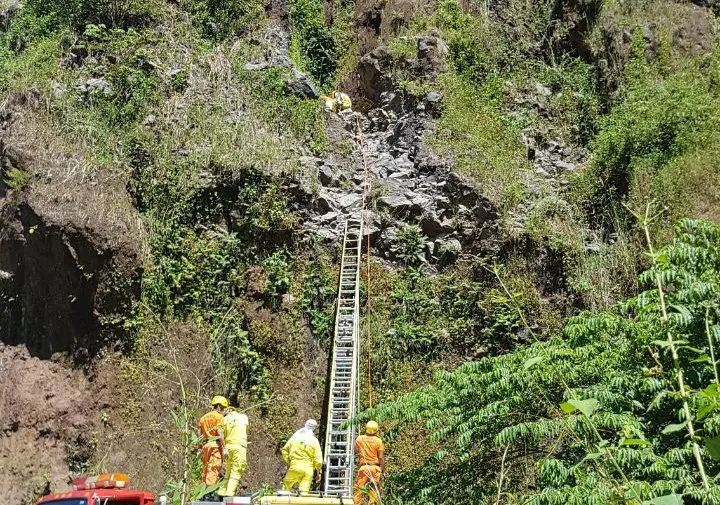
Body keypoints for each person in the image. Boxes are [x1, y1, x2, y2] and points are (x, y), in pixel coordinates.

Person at [281, 419, 323, 493]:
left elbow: (284, 451)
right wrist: (318, 472)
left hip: (294, 467)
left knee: (286, 488)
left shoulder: (294, 437)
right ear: (314, 429)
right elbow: (318, 460)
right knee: (303, 492)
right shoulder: (314, 440)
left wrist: (290, 462)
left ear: (305, 425)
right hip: (308, 470)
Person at [217, 407, 250, 497]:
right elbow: (246, 431)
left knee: (228, 470)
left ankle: (222, 491)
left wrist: (224, 447)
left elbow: (221, 434)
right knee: (237, 469)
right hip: (239, 446)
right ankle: (229, 493)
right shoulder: (243, 417)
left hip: (228, 447)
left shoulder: (225, 419)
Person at [198, 396, 227, 490]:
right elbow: (219, 432)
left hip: (206, 446)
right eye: (223, 408)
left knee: (205, 468)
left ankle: (201, 491)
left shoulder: (203, 418)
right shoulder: (219, 417)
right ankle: (209, 492)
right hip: (215, 445)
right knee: (214, 468)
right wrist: (224, 446)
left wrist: (198, 448)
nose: (223, 410)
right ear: (218, 406)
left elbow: (199, 434)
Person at [353, 421, 386, 505]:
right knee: (373, 492)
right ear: (376, 430)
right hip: (375, 469)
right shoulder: (378, 441)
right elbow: (381, 457)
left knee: (359, 491)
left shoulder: (359, 439)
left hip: (364, 468)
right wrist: (383, 470)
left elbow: (356, 451)